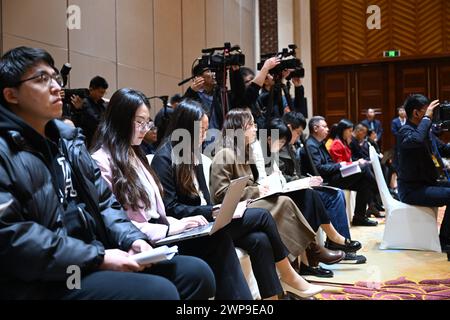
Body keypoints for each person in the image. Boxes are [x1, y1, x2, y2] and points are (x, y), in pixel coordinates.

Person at [0, 46, 215, 300]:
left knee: (196, 274)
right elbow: (14, 238)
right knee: (160, 292)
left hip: (89, 257)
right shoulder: (6, 152)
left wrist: (132, 240)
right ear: (11, 95)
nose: (57, 86)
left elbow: (105, 203)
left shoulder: (68, 143)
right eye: (41, 79)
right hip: (47, 279)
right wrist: (98, 258)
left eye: (55, 77)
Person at [91, 88, 260, 300]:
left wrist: (179, 223)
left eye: (147, 123)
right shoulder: (102, 161)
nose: (145, 129)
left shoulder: (135, 154)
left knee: (230, 238)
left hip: (161, 232)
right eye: (139, 122)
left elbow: (156, 210)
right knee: (215, 247)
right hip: (141, 242)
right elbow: (119, 221)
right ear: (121, 119)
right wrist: (172, 226)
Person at [152, 100, 324, 299]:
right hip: (187, 230)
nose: (205, 136)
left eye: (206, 130)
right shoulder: (164, 158)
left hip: (205, 222)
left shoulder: (193, 155)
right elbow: (170, 208)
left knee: (260, 239)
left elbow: (205, 198)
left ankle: (274, 297)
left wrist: (215, 210)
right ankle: (288, 275)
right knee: (262, 216)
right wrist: (211, 211)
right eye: (202, 130)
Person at [210, 108, 348, 277]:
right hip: (235, 212)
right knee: (284, 202)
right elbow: (221, 195)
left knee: (290, 199)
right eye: (251, 124)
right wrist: (257, 190)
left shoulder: (244, 152)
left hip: (247, 204)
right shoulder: (225, 154)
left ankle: (306, 256)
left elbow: (251, 182)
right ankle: (309, 253)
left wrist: (261, 188)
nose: (255, 128)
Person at [282, 112, 367, 264]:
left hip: (306, 184)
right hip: (298, 188)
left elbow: (295, 173)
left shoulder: (295, 146)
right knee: (334, 195)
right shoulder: (305, 145)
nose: (328, 129)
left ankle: (336, 240)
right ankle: (335, 241)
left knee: (345, 188)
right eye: (298, 133)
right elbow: (315, 169)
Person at [397, 94, 450, 259]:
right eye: (426, 111)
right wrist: (427, 119)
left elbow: (443, 149)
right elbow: (416, 141)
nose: (431, 115)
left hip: (428, 183)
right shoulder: (405, 131)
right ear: (416, 113)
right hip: (412, 190)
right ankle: (446, 241)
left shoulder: (425, 131)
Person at [306, 117, 379, 226]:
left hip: (333, 175)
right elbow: (319, 168)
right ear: (315, 128)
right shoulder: (311, 144)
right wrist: (340, 165)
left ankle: (359, 217)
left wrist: (341, 165)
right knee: (363, 167)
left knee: (364, 183)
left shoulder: (319, 143)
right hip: (326, 180)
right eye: (325, 126)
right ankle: (378, 190)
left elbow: (329, 163)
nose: (328, 129)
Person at [70, 75, 109, 148]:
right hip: (88, 142)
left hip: (100, 142)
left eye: (104, 92)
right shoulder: (83, 103)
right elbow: (94, 121)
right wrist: (78, 110)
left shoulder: (103, 104)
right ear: (91, 89)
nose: (102, 95)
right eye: (100, 92)